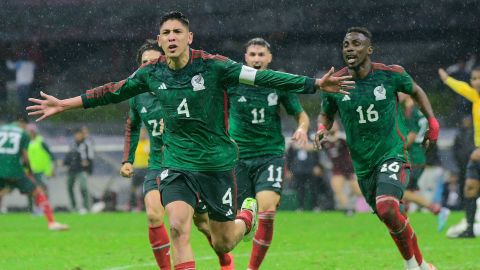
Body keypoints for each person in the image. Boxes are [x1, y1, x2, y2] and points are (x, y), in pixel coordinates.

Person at [27, 11, 353, 269]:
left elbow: (264, 77)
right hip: (176, 163)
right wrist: (64, 103)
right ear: (159, 39)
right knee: (179, 228)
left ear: (189, 38)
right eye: (166, 33)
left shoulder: (214, 67)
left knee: (223, 241)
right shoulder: (152, 72)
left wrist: (313, 84)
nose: (171, 37)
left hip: (216, 164)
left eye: (177, 32)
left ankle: (247, 215)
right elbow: (111, 91)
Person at [315, 27, 438, 270]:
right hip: (362, 164)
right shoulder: (336, 83)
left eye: (356, 44)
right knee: (391, 216)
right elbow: (326, 113)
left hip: (392, 153)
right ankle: (423, 265)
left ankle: (411, 266)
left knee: (387, 206)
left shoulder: (390, 75)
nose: (350, 48)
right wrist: (321, 128)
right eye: (346, 44)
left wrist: (432, 123)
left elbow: (415, 90)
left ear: (369, 50)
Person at [120, 39, 233, 270]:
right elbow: (132, 126)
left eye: (153, 60)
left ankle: (224, 259)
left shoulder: (180, 88)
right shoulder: (137, 96)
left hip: (189, 164)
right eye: (144, 62)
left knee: (203, 224)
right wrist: (127, 159)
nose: (149, 65)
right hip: (157, 164)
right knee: (153, 215)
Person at [226, 37, 311, 270]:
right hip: (238, 156)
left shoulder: (278, 83)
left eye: (261, 54)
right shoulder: (232, 81)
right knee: (239, 216)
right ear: (245, 58)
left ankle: (252, 268)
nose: (256, 59)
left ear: (269, 58)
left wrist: (302, 128)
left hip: (270, 153)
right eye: (252, 54)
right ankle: (234, 244)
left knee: (268, 209)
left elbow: (301, 115)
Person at [0, 116, 68, 231]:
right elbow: (25, 157)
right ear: (23, 124)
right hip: (15, 170)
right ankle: (52, 223)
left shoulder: (1, 129)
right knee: (38, 192)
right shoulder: (23, 134)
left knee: (2, 192)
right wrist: (29, 171)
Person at [439, 66, 480, 238]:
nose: (475, 82)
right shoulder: (475, 97)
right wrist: (447, 80)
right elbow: (462, 88)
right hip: (477, 154)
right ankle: (470, 228)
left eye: (478, 78)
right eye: (473, 78)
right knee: (469, 188)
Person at [399, 93, 450, 228]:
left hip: (413, 158)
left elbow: (412, 135)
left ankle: (437, 209)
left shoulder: (411, 113)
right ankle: (403, 222)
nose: (397, 94)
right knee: (404, 193)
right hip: (418, 156)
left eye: (400, 91)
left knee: (401, 191)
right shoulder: (419, 112)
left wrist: (398, 148)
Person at [320, 121, 362, 215]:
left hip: (349, 168)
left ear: (338, 126)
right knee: (337, 188)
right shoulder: (325, 141)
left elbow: (355, 146)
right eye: (330, 125)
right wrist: (301, 144)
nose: (332, 127)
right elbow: (314, 147)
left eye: (334, 125)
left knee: (358, 192)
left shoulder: (342, 137)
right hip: (337, 169)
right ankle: (348, 209)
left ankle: (380, 199)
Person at [286, 141, 325, 212]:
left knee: (313, 188)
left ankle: (315, 206)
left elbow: (316, 154)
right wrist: (289, 170)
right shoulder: (293, 143)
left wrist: (317, 165)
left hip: (311, 169)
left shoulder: (311, 140)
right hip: (298, 170)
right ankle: (301, 207)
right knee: (300, 189)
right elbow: (289, 157)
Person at [26, 123, 55, 213]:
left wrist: (51, 169)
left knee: (42, 189)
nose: (31, 133)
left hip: (41, 171)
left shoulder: (41, 141)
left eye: (32, 131)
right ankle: (32, 209)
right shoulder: (27, 143)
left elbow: (51, 156)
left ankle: (45, 207)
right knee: (31, 190)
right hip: (31, 171)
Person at [64, 128, 92, 213]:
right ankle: (73, 206)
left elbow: (90, 158)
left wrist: (88, 167)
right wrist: (66, 162)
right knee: (69, 187)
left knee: (83, 187)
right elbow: (69, 156)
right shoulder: (72, 144)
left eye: (79, 134)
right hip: (72, 169)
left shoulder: (86, 144)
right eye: (76, 134)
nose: (78, 136)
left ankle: (86, 207)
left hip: (81, 170)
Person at [127, 126, 149, 212]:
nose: (142, 134)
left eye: (143, 133)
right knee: (133, 188)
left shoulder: (148, 143)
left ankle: (143, 206)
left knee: (144, 189)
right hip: (136, 169)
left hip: (146, 169)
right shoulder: (135, 143)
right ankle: (132, 205)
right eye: (141, 133)